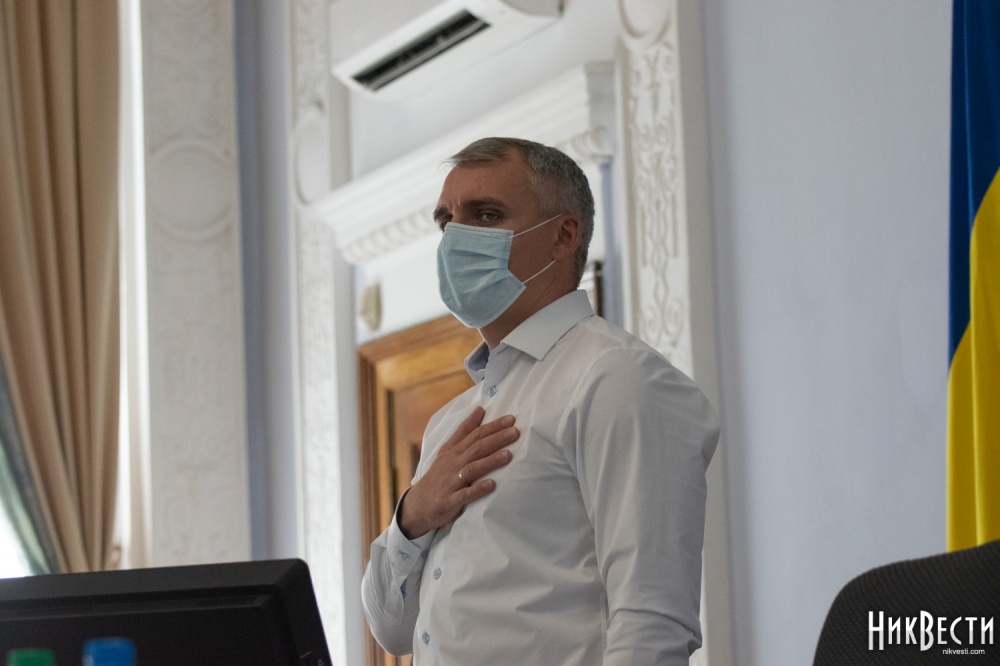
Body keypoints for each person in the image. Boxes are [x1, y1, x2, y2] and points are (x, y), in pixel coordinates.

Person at [361, 137, 720, 665]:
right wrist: (411, 516)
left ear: (563, 235)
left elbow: (652, 620)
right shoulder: (448, 423)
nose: (456, 237)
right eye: (446, 221)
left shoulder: (616, 378)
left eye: (485, 215)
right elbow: (392, 630)